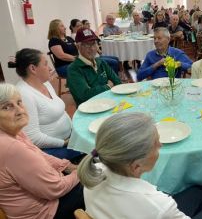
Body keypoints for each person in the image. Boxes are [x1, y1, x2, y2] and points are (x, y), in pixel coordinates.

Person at [77, 112, 202, 219]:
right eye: (156, 144)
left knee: (199, 191)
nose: (161, 145)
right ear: (136, 166)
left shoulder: (93, 171)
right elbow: (161, 208)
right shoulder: (159, 203)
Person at [0, 83, 84, 219]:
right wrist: (80, 172)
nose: (19, 110)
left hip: (49, 193)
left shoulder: (13, 131)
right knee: (98, 184)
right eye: (6, 107)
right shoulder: (11, 148)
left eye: (19, 102)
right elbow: (54, 189)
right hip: (45, 212)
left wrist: (68, 166)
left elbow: (39, 153)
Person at [7, 48, 81, 160]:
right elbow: (33, 138)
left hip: (68, 138)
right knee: (95, 146)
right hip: (51, 149)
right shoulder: (24, 95)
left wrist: (73, 130)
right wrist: (64, 143)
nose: (50, 68)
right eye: (45, 64)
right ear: (33, 68)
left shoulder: (45, 83)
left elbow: (59, 110)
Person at [67, 28, 121, 106]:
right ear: (78, 47)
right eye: (86, 45)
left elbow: (117, 81)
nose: (92, 48)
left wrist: (94, 90)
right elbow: (85, 95)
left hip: (109, 104)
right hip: (89, 110)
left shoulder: (101, 62)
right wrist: (108, 86)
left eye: (93, 43)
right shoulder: (73, 69)